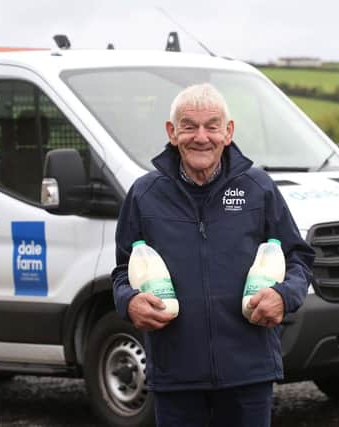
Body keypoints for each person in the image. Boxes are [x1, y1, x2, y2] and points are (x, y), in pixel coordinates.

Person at [112, 83, 314, 427]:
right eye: (189, 126)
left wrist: (284, 296)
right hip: (175, 374)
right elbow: (121, 271)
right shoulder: (145, 194)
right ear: (172, 133)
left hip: (248, 373)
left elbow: (299, 258)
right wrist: (129, 302)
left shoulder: (258, 187)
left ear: (229, 131)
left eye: (212, 125)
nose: (201, 137)